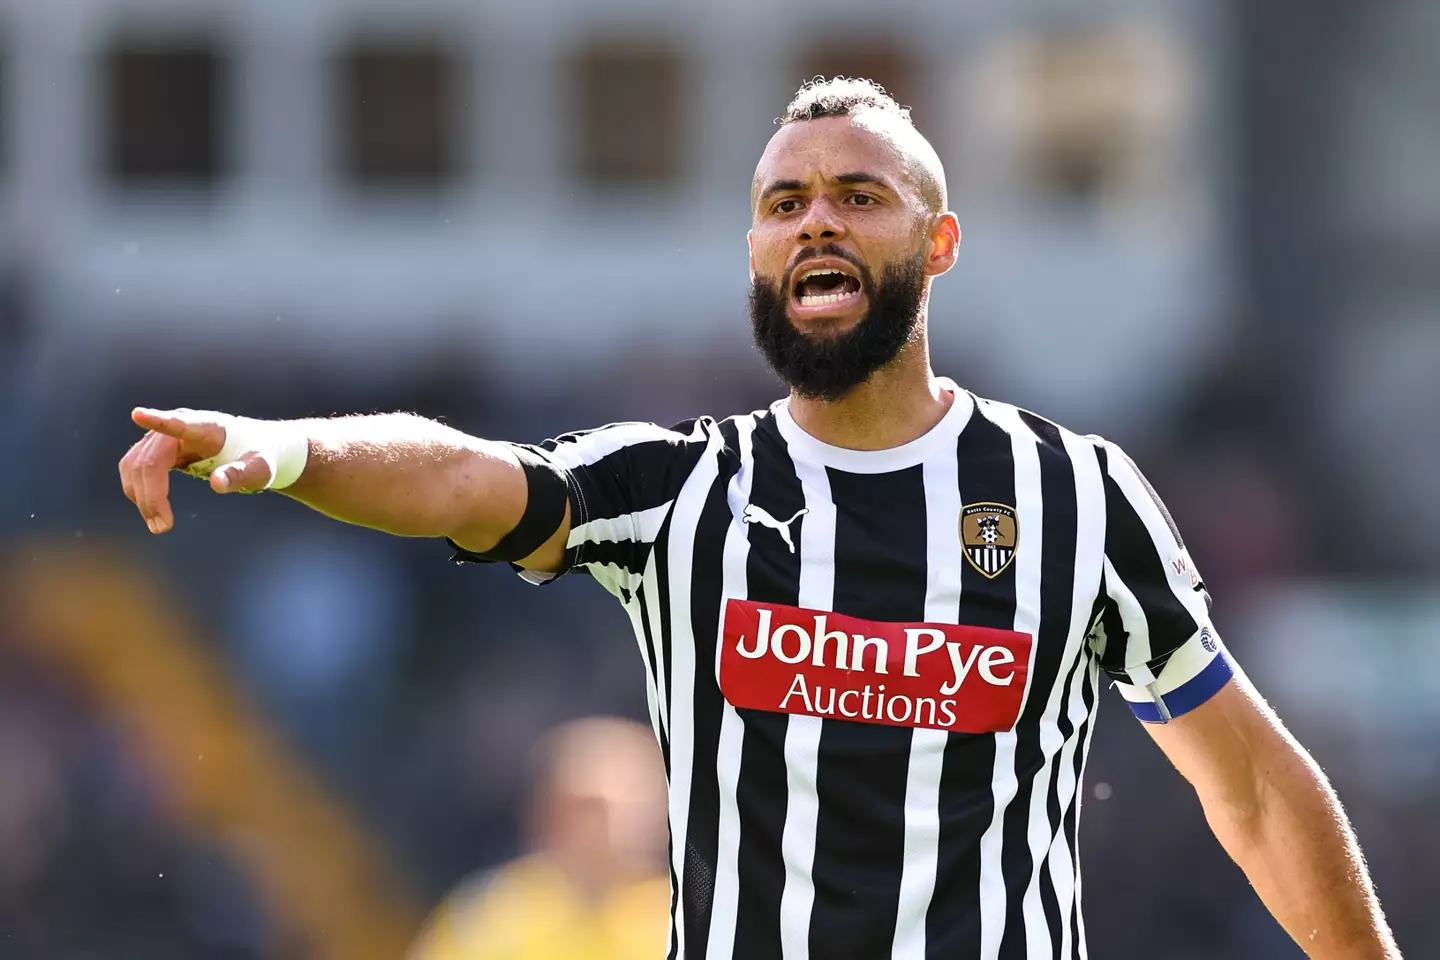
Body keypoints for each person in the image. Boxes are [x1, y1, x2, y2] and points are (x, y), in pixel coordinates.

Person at [118, 77, 1402, 960]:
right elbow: (463, 477)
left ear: (939, 243)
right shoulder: (682, 489)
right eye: (785, 205)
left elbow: (1250, 786)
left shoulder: (1074, 495)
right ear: (755, 255)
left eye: (858, 195)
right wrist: (286, 450)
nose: (816, 219)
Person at [407, 716, 670, 960]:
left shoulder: (676, 916)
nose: (616, 823)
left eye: (634, 803)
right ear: (547, 811)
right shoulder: (489, 915)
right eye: (593, 808)